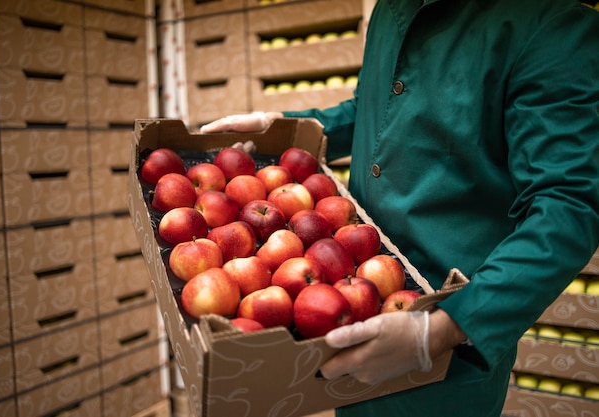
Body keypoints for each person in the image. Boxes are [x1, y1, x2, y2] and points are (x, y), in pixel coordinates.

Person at [199, 0, 599, 415]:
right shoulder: (393, 9)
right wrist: (286, 123)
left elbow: (569, 205)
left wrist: (440, 331)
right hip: (344, 301)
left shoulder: (552, 24)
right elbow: (379, 108)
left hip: (445, 350)